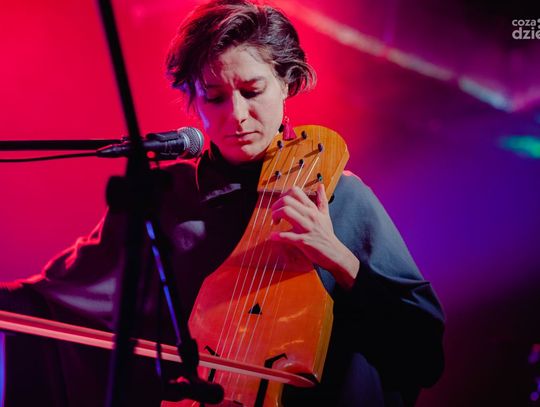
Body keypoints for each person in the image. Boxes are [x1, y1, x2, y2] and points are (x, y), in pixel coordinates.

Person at [0, 0, 445, 406]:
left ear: (287, 84)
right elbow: (50, 302)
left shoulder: (340, 197)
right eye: (214, 97)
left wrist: (340, 259)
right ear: (192, 100)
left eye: (252, 91)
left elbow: (424, 352)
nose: (236, 115)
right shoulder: (164, 197)